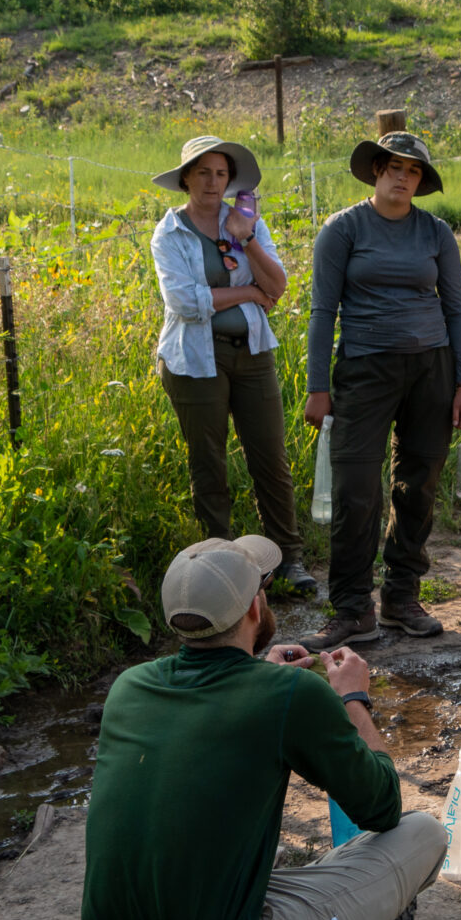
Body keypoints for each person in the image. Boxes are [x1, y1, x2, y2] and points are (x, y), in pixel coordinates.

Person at [81, 535, 444, 920]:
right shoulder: (288, 693)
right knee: (425, 832)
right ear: (255, 605)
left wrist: (262, 678)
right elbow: (381, 807)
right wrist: (353, 697)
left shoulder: (129, 687)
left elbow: (214, 717)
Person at [301, 131, 461, 649]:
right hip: (363, 369)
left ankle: (401, 597)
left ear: (420, 181)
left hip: (432, 367)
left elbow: (457, 308)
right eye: (394, 167)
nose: (402, 178)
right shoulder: (343, 229)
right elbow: (322, 312)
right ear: (376, 170)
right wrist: (318, 386)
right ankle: (352, 609)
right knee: (357, 491)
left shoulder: (436, 233)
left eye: (414, 171)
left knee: (419, 483)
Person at [151, 135, 317, 597]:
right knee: (209, 462)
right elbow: (184, 303)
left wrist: (247, 239)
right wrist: (247, 293)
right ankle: (217, 568)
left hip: (253, 353)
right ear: (186, 178)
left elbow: (278, 285)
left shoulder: (245, 223)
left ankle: (287, 558)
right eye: (202, 172)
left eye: (221, 173)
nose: (212, 181)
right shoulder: (170, 233)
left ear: (230, 180)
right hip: (194, 360)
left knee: (270, 455)